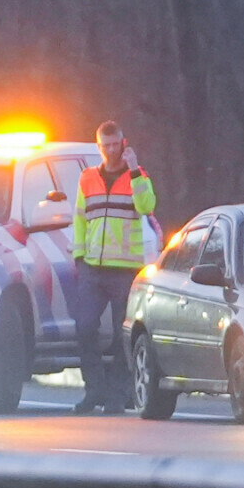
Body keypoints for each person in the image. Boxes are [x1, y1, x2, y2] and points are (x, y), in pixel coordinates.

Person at [67, 120, 160, 412]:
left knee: (124, 335)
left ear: (124, 143)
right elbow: (80, 219)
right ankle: (94, 390)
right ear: (99, 147)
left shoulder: (138, 176)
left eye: (115, 144)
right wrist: (80, 258)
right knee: (84, 328)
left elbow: (147, 207)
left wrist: (134, 170)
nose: (110, 150)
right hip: (93, 268)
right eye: (105, 145)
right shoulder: (87, 178)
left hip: (125, 269)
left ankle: (119, 393)